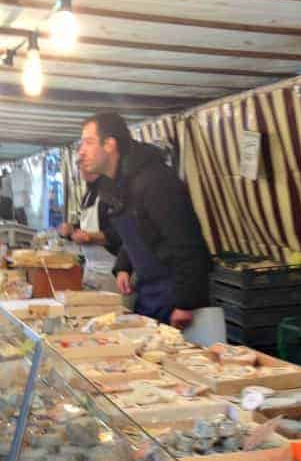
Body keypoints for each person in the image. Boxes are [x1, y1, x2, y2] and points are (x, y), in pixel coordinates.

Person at [78, 111, 210, 328]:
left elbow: (188, 242)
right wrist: (123, 266)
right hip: (148, 293)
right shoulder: (117, 184)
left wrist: (186, 302)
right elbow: (136, 233)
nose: (81, 152)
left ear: (109, 144)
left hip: (175, 297)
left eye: (88, 142)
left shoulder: (155, 181)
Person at [59, 169, 121, 256]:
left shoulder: (112, 192)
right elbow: (86, 225)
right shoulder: (88, 194)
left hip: (111, 263)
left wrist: (91, 237)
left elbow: (120, 234)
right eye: (79, 166)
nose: (81, 168)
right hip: (90, 264)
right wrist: (72, 229)